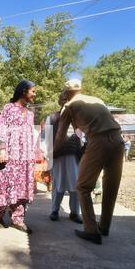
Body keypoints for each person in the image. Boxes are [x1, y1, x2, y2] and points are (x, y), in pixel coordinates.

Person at [54, 79, 124, 245]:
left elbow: (60, 136)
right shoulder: (97, 100)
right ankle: (104, 227)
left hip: (98, 142)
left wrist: (54, 153)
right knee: (110, 186)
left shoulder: (68, 106)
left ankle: (91, 230)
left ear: (65, 94)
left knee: (83, 187)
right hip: (118, 141)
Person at [0, 80, 36, 234]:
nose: (34, 94)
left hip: (24, 158)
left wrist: (35, 153)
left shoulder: (30, 114)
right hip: (8, 156)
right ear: (23, 91)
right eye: (33, 91)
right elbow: (0, 128)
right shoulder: (8, 108)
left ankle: (18, 219)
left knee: (22, 187)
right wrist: (2, 150)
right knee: (3, 184)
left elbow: (30, 135)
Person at [46, 80, 83, 223]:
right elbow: (48, 138)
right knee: (58, 184)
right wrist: (49, 156)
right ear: (61, 101)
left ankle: (74, 213)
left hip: (74, 155)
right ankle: (54, 210)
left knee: (76, 184)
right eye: (65, 99)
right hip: (58, 155)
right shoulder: (52, 117)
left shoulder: (79, 116)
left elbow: (83, 135)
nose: (67, 102)